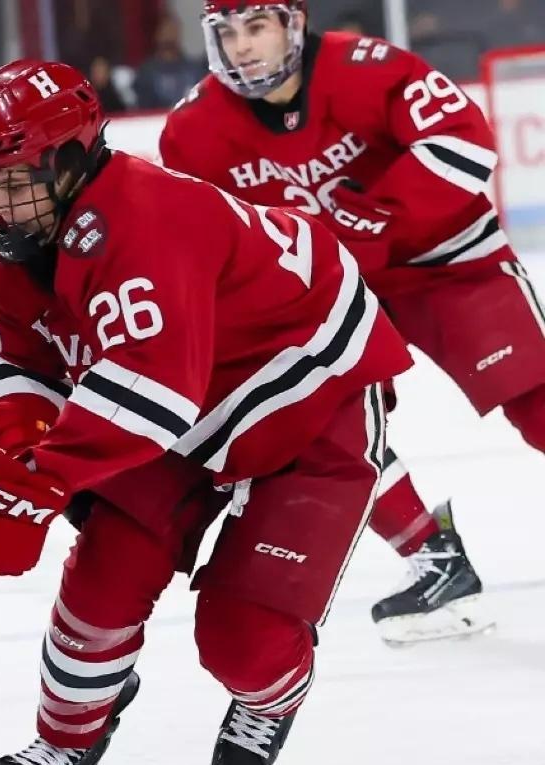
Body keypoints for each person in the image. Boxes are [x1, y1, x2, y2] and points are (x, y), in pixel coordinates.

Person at [0, 60, 411, 765]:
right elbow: (19, 354)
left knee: (243, 644)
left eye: (13, 177)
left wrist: (33, 487)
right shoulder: (12, 241)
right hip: (181, 403)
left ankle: (273, 697)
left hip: (303, 393)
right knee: (105, 574)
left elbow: (153, 394)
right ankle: (66, 739)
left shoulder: (145, 221)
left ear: (69, 159)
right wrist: (19, 432)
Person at [158, 0, 543, 644]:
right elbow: (202, 244)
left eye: (256, 27)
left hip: (445, 260)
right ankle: (435, 560)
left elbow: (463, 141)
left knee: (536, 401)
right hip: (331, 289)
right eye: (226, 32)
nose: (241, 46)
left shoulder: (369, 69)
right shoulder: (192, 131)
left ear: (293, 22)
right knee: (315, 420)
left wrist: (382, 213)